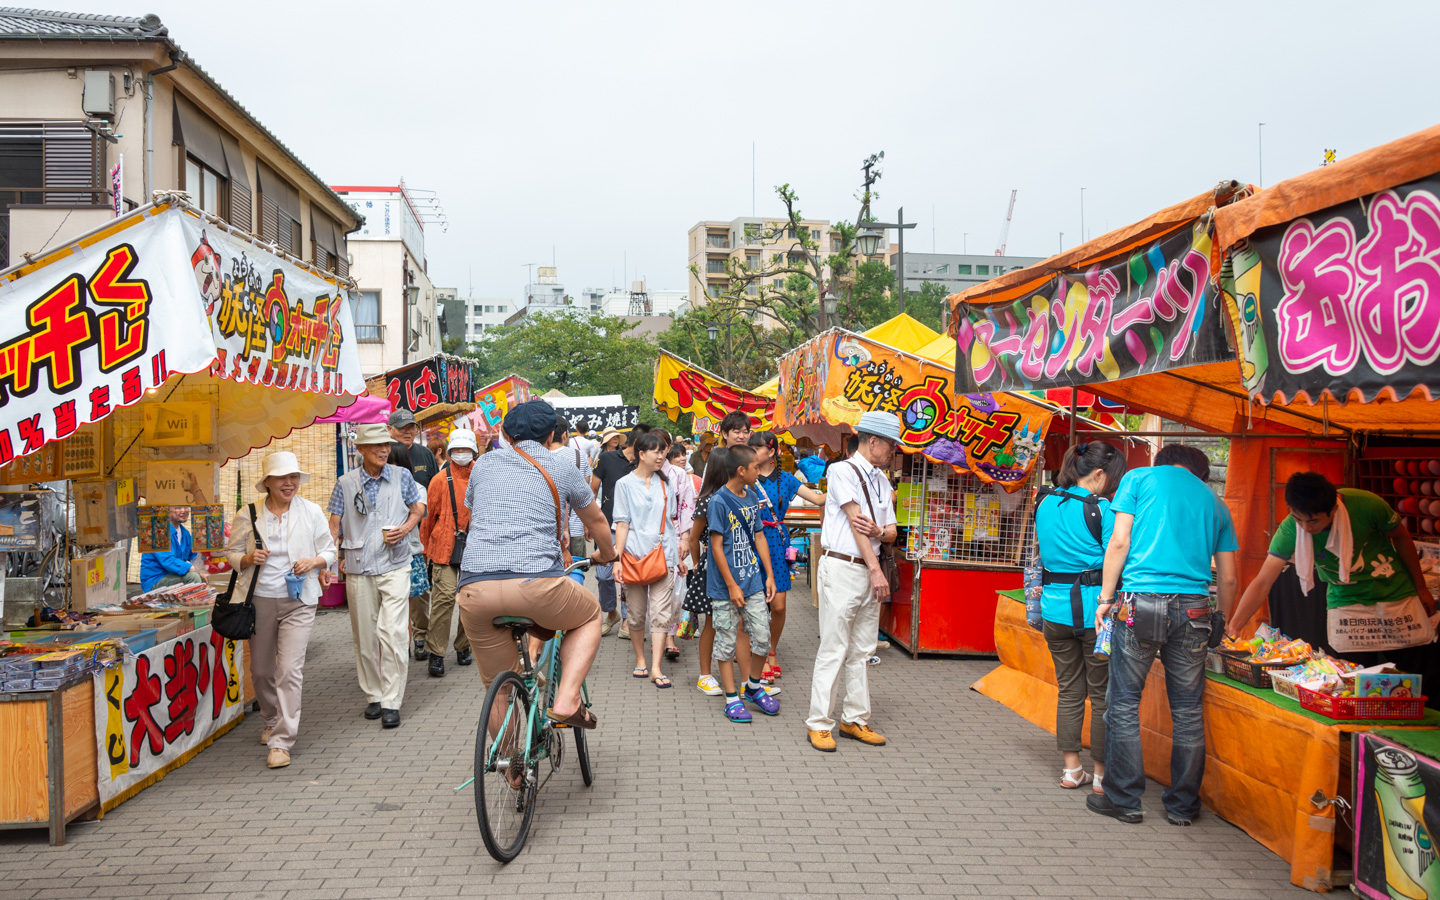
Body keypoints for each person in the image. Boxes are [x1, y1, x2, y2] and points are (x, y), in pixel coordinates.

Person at [1088, 444, 1238, 826]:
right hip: (1195, 609)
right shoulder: (1215, 502)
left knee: (1123, 702)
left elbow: (1119, 541)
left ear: (1162, 462)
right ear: (1199, 474)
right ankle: (1182, 807)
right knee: (1187, 710)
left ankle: (1125, 801)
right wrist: (1221, 617)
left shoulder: (1139, 478)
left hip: (1142, 602)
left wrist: (1106, 597)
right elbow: (1230, 576)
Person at [456, 400, 617, 731]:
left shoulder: (483, 464)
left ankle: (511, 765)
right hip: (536, 584)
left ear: (504, 433)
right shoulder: (561, 466)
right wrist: (608, 553)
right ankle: (567, 699)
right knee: (589, 614)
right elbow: (597, 520)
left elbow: (474, 511)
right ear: (552, 434)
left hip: (474, 588)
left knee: (499, 689)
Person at [1230, 472, 1439, 703]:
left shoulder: (1367, 504)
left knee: (1415, 675)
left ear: (1334, 508)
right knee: (1353, 679)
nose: (1306, 528)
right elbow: (1262, 582)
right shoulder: (1291, 529)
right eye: (1299, 518)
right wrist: (1235, 626)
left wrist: (1421, 588)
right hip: (1347, 601)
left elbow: (1401, 537)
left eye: (1314, 521)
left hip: (1394, 594)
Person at [226, 452, 336, 769]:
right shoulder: (249, 514)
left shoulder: (311, 511)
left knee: (289, 669)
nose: (289, 483)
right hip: (258, 599)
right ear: (268, 482)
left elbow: (329, 549)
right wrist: (248, 559)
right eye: (282, 478)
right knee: (260, 671)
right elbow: (232, 554)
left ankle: (282, 741)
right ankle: (271, 718)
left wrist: (314, 562)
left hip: (299, 599)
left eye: (294, 477)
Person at [1035, 441, 1128, 793]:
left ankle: (1072, 770)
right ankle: (1102, 776)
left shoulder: (1045, 502)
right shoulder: (1102, 510)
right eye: (1113, 478)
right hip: (1096, 615)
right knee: (1102, 694)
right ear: (1100, 473)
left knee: (1069, 691)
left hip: (1054, 611)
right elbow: (1115, 558)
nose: (1114, 487)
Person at [806, 412, 899, 751]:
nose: (894, 452)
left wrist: (880, 536)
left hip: (866, 569)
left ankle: (855, 718)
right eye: (891, 444)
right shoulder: (841, 470)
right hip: (844, 567)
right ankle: (819, 722)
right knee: (834, 647)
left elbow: (889, 531)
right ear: (872, 441)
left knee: (863, 649)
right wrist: (876, 567)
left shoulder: (882, 480)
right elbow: (856, 523)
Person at [328, 423, 427, 729]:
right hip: (358, 567)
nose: (384, 449)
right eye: (376, 446)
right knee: (365, 636)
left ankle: (392, 700)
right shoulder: (344, 483)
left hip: (396, 564)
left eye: (386, 444)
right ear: (360, 450)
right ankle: (373, 693)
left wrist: (406, 528)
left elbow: (418, 508)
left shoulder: (402, 476)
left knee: (394, 632)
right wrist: (329, 563)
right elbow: (334, 524)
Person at [707, 444, 778, 722]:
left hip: (754, 581)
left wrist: (769, 574)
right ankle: (731, 697)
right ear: (741, 470)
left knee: (762, 638)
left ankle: (753, 687)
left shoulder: (751, 498)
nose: (759, 472)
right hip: (724, 588)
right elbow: (715, 547)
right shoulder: (719, 502)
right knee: (725, 642)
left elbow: (759, 536)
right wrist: (731, 585)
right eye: (756, 468)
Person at [749, 431, 825, 682]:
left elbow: (816, 498)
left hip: (778, 542)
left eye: (756, 447)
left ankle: (771, 650)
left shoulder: (786, 480)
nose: (751, 451)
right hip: (752, 541)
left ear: (771, 452)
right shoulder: (745, 475)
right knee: (755, 602)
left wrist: (843, 487)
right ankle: (757, 651)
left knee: (779, 605)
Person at [613, 432, 683, 688]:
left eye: (663, 451)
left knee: (661, 613)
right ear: (641, 454)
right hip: (632, 556)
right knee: (635, 614)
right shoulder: (623, 484)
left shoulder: (666, 484)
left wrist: (679, 554)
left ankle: (655, 667)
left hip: (664, 556)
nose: (661, 455)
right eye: (656, 451)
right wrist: (617, 559)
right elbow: (622, 523)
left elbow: (671, 520)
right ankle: (640, 659)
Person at [418, 429, 480, 677]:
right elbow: (427, 518)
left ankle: (464, 647)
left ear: (474, 451)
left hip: (476, 549)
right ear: (450, 451)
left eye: (466, 449)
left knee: (471, 602)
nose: (461, 454)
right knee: (443, 600)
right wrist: (424, 550)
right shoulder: (439, 480)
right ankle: (436, 652)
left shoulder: (482, 476)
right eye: (457, 450)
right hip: (444, 548)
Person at [592, 429, 638, 635]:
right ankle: (611, 613)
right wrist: (589, 524)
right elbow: (592, 491)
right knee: (603, 575)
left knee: (627, 577)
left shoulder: (645, 465)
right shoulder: (606, 458)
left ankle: (627, 621)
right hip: (607, 525)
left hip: (633, 528)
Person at [664, 441, 697, 660]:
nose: (682, 458)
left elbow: (688, 506)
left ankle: (669, 636)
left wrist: (685, 537)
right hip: (649, 539)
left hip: (675, 534)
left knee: (676, 588)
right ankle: (660, 633)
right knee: (655, 591)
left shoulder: (679, 475)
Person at [140, 506, 205, 591]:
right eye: (178, 507)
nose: (183, 511)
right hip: (156, 580)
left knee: (202, 576)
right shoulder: (159, 532)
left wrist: (203, 568)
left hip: (174, 576)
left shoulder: (184, 532)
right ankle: (194, 603)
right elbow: (168, 561)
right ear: (167, 510)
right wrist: (193, 569)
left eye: (185, 507)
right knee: (193, 576)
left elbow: (193, 555)